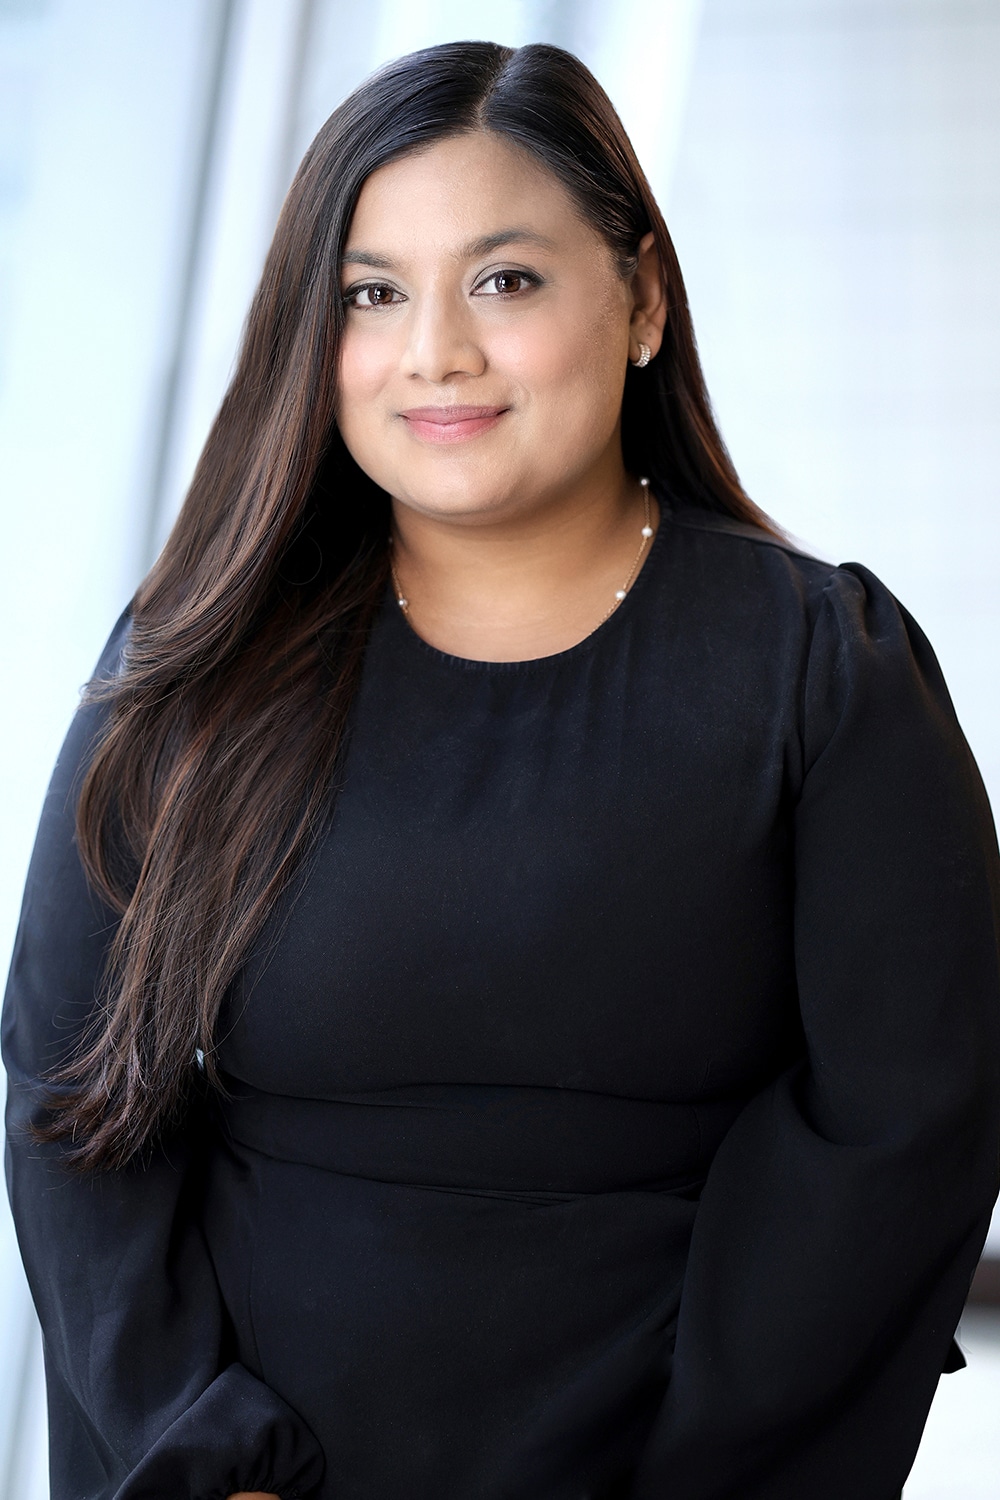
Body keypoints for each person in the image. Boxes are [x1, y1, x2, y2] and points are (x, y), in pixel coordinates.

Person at [4, 38, 1000, 1500]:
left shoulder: (818, 667)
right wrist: (199, 1443)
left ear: (642, 299)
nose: (436, 353)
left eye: (507, 280)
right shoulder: (202, 654)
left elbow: (903, 1130)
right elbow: (70, 1089)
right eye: (372, 294)